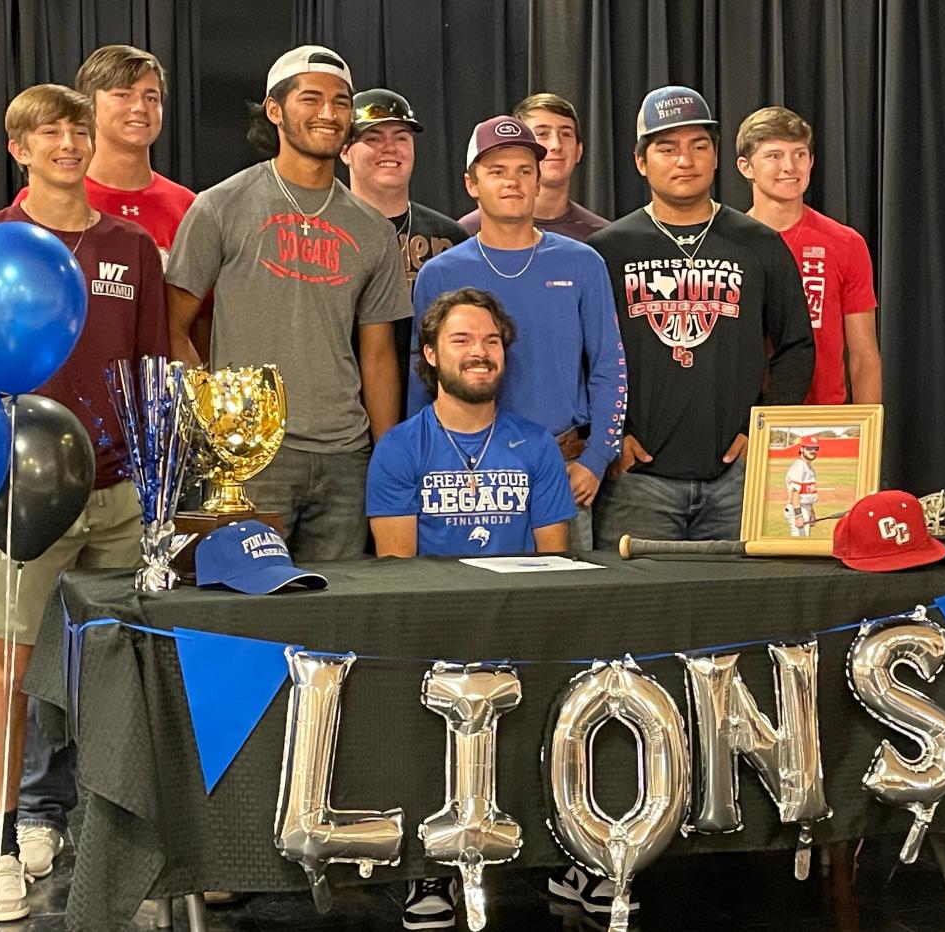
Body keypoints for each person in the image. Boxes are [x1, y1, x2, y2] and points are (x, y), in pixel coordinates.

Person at [0, 83, 168, 922]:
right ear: (20, 150)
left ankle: (125, 855)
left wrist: (154, 489)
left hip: (116, 494)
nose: (68, 144)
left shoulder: (131, 247)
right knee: (13, 664)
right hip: (22, 494)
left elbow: (151, 372)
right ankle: (0, 851)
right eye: (50, 133)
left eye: (77, 129)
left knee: (122, 675)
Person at [10, 43, 196, 883]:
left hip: (131, 476)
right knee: (39, 649)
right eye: (119, 97)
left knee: (126, 650)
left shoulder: (169, 217)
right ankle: (40, 808)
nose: (138, 108)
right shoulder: (8, 233)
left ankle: (127, 818)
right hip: (37, 478)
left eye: (152, 95)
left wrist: (169, 463)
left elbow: (169, 349)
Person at [367, 287, 574, 928]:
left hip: (522, 623)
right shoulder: (401, 448)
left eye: (489, 341)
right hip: (434, 628)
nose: (479, 353)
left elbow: (553, 564)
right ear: (430, 355)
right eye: (461, 341)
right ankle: (428, 872)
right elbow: (399, 572)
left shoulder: (536, 446)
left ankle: (574, 855)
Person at [165, 46, 410, 561]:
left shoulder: (372, 229)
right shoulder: (219, 206)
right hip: (251, 461)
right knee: (246, 616)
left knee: (336, 620)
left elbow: (379, 353)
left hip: (347, 456)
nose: (328, 113)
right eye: (312, 98)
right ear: (275, 110)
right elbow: (172, 325)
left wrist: (385, 459)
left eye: (341, 101)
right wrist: (216, 427)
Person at [587, 86, 814, 553]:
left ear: (716, 158)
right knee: (636, 617)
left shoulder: (760, 243)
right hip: (637, 482)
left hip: (737, 479)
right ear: (641, 161)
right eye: (667, 148)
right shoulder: (607, 250)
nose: (684, 160)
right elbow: (581, 353)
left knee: (739, 616)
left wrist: (763, 433)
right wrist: (612, 438)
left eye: (698, 146)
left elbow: (796, 344)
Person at [410, 115, 625, 550]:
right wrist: (421, 464)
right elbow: (422, 378)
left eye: (525, 170)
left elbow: (609, 364)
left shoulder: (582, 264)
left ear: (538, 180)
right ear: (472, 184)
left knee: (566, 607)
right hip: (462, 475)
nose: (513, 182)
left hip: (563, 469)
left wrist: (597, 458)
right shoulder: (440, 273)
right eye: (497, 172)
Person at [736, 106, 881, 405]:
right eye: (774, 155)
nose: (790, 166)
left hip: (823, 421)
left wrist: (867, 439)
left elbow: (864, 357)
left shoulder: (845, 243)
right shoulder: (728, 244)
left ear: (812, 161)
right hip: (745, 425)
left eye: (800, 154)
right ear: (745, 167)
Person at [340, 88, 467, 410]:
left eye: (401, 137)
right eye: (372, 138)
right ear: (344, 151)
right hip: (347, 413)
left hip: (434, 410)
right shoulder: (325, 233)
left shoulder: (450, 235)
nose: (389, 148)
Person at [458, 92, 608, 241]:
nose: (556, 145)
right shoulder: (466, 232)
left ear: (579, 151)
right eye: (542, 133)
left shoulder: (600, 236)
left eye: (566, 134)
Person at [785, 435, 820, 536]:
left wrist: (812, 513)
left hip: (805, 508)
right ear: (801, 448)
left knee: (804, 542)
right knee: (799, 545)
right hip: (798, 509)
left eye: (816, 448)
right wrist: (798, 515)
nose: (813, 450)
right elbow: (795, 493)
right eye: (809, 448)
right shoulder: (799, 466)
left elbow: (807, 494)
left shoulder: (809, 467)